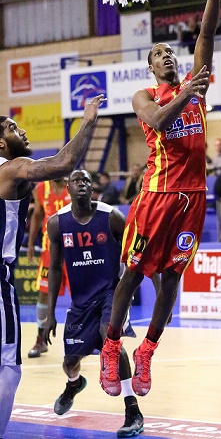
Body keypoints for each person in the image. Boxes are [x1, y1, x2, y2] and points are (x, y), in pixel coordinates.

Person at [99, 0, 221, 398]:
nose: (167, 56)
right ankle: (112, 345)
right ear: (151, 68)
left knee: (172, 279)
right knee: (133, 274)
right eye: (158, 55)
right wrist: (187, 92)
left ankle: (147, 353)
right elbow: (156, 121)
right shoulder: (143, 96)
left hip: (193, 199)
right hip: (156, 197)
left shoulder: (195, 84)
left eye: (169, 52)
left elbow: (207, 31)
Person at [0, 94, 105, 439]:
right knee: (8, 369)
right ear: (2, 143)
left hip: (58, 257)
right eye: (15, 128)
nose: (24, 131)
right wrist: (88, 121)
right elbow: (63, 163)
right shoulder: (11, 168)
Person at [43, 169, 143, 437]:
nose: (82, 184)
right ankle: (74, 383)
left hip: (112, 293)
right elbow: (54, 269)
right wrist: (49, 314)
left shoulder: (111, 217)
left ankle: (132, 409)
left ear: (92, 188)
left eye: (86, 180)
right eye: (76, 181)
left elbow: (136, 251)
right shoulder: (57, 223)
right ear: (68, 188)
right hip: (80, 302)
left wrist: (137, 286)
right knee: (70, 360)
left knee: (110, 340)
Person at [26, 178, 71, 358]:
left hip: (73, 245)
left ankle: (85, 339)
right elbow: (37, 215)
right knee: (44, 292)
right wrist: (30, 243)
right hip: (50, 248)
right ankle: (40, 338)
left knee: (80, 292)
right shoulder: (40, 188)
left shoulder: (73, 185)